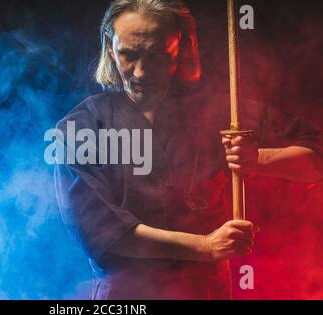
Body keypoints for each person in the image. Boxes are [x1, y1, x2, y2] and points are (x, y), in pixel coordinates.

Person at [54, 0, 322, 299]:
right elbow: (99, 231)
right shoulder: (81, 128)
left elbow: (316, 159)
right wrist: (205, 246)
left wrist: (258, 159)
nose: (141, 72)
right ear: (109, 43)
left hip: (206, 293)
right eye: (128, 54)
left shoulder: (221, 112)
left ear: (181, 46)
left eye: (157, 56)